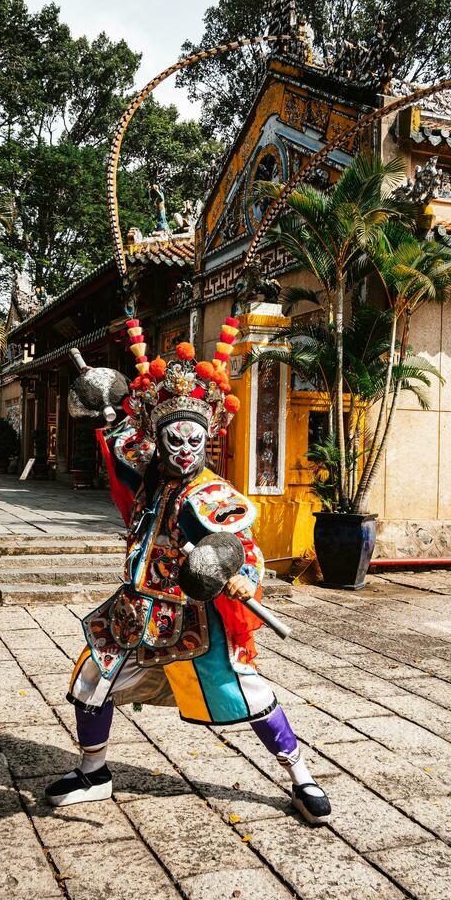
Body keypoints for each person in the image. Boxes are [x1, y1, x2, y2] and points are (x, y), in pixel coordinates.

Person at [45, 316, 331, 824]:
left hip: (191, 618)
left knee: (247, 692)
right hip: (135, 609)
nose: (182, 450)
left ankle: (301, 776)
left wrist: (240, 570)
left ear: (208, 441)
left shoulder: (212, 493)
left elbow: (239, 544)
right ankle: (94, 773)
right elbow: (120, 439)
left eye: (192, 442)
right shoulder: (153, 476)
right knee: (91, 680)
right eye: (172, 441)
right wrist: (104, 402)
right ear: (160, 441)